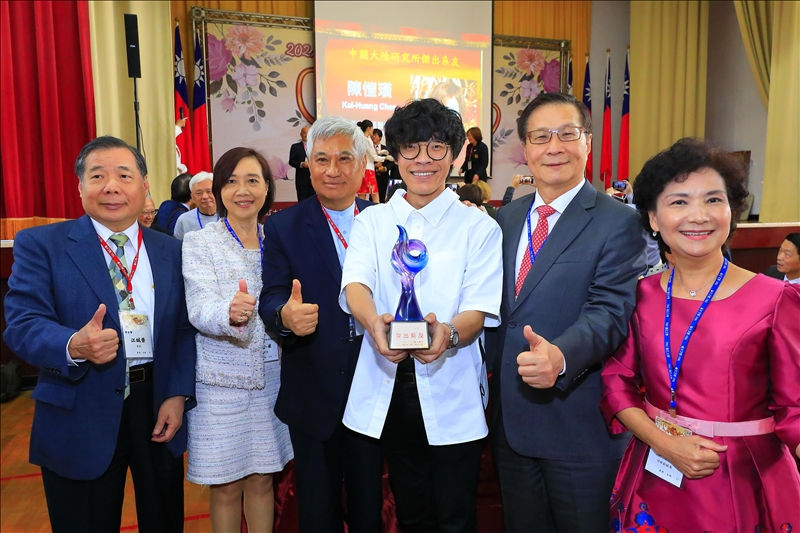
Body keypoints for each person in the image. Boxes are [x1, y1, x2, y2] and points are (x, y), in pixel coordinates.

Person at [601, 138, 800, 532]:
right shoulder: (641, 295)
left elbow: (794, 408)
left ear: (731, 211)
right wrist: (665, 443)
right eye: (679, 202)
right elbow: (616, 383)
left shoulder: (776, 299)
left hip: (742, 479)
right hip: (655, 471)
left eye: (713, 200)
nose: (699, 215)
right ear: (654, 219)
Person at [3, 135, 197, 532]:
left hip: (156, 406)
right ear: (79, 187)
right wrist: (72, 344)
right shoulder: (43, 244)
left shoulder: (171, 250)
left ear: (144, 185)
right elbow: (23, 322)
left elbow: (183, 330)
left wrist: (177, 394)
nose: (111, 186)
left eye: (124, 175)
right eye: (97, 176)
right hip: (80, 406)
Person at [341, 98, 503, 533]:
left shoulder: (479, 227)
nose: (423, 160)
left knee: (456, 517)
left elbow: (479, 308)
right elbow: (356, 286)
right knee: (411, 514)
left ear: (456, 154)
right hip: (389, 385)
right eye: (411, 147)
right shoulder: (373, 222)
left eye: (436, 147)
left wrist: (448, 333)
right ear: (395, 154)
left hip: (452, 387)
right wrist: (374, 324)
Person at [491, 92, 647, 533]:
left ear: (588, 142)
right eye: (541, 137)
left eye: (567, 134)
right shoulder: (505, 218)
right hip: (511, 423)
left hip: (578, 426)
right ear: (526, 149)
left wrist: (560, 356)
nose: (554, 147)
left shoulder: (619, 221)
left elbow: (610, 310)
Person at [258, 116, 382, 533]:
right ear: (308, 164)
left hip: (374, 385)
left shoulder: (385, 222)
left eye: (344, 158)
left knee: (371, 507)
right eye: (322, 159)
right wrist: (284, 316)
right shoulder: (283, 226)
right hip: (313, 389)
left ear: (362, 165)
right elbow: (272, 296)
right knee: (317, 511)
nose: (333, 170)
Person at [182, 147, 292, 532]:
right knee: (226, 485)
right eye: (231, 181)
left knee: (263, 479)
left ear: (267, 189)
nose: (242, 190)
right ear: (219, 189)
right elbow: (198, 306)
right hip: (220, 385)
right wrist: (228, 313)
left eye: (252, 181)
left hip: (273, 380)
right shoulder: (200, 242)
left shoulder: (278, 240)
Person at [173, 172, 218, 241]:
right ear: (192, 197)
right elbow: (177, 245)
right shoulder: (184, 220)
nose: (205, 197)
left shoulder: (230, 216)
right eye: (199, 193)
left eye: (209, 191)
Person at [356, 119, 384, 203]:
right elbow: (373, 156)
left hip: (363, 169)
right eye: (372, 128)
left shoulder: (361, 139)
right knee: (374, 195)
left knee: (362, 194)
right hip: (369, 170)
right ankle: (377, 210)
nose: (372, 131)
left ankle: (360, 209)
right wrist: (385, 158)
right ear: (369, 128)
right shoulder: (367, 140)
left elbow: (370, 153)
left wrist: (381, 152)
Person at [289, 126, 314, 202]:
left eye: (308, 133)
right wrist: (301, 164)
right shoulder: (295, 147)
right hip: (302, 180)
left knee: (313, 201)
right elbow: (291, 161)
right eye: (304, 133)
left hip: (314, 179)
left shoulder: (316, 146)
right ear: (301, 134)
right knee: (302, 201)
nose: (306, 135)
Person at [372, 128, 395, 203]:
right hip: (373, 176)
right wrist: (375, 165)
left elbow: (391, 161)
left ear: (380, 137)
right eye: (372, 135)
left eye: (375, 135)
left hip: (384, 177)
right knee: (372, 197)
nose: (373, 137)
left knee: (383, 196)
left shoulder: (386, 149)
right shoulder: (369, 148)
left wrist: (384, 168)